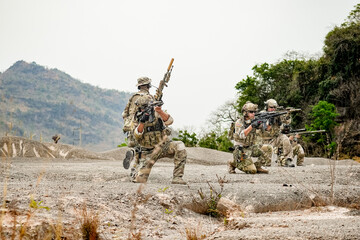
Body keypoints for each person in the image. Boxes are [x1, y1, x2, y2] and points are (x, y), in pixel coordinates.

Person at [130, 95, 187, 184]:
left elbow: (169, 121)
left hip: (164, 146)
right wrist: (142, 122)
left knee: (180, 145)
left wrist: (159, 111)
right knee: (140, 180)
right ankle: (135, 167)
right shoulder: (136, 117)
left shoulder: (157, 113)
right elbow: (137, 135)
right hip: (148, 151)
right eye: (142, 108)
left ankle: (177, 177)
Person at [227, 101, 271, 174]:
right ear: (245, 113)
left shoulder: (253, 120)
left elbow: (266, 129)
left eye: (254, 112)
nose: (253, 113)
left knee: (269, 148)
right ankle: (232, 162)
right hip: (240, 149)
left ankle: (258, 166)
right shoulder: (239, 122)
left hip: (251, 147)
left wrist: (269, 121)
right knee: (252, 171)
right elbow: (241, 135)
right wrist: (252, 125)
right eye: (251, 112)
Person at [122, 77, 155, 169]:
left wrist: (129, 124)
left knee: (134, 147)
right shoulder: (149, 97)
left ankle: (131, 152)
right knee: (143, 151)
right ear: (148, 85)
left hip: (131, 126)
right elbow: (153, 113)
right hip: (142, 127)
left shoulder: (133, 97)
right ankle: (136, 171)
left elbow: (124, 113)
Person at [260, 99, 294, 167]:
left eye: (274, 107)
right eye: (271, 107)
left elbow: (287, 122)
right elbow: (265, 128)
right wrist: (269, 120)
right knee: (266, 164)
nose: (273, 109)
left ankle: (287, 159)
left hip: (275, 138)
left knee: (285, 138)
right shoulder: (262, 114)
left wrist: (287, 114)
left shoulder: (277, 114)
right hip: (264, 140)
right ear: (267, 107)